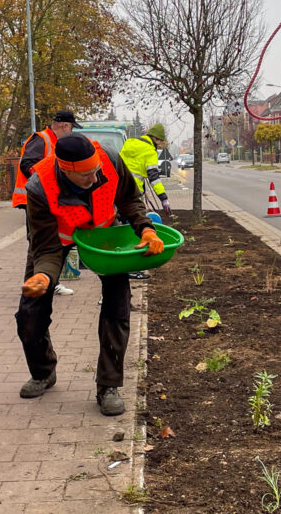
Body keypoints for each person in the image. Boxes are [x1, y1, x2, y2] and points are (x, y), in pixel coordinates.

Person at [16, 134, 164, 416]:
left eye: (96, 171)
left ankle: (108, 386)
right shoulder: (39, 187)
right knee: (30, 313)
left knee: (117, 307)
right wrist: (45, 278)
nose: (95, 179)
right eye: (86, 175)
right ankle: (43, 372)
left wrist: (145, 229)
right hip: (56, 242)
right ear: (66, 171)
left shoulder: (108, 159)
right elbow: (45, 248)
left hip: (104, 236)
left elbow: (130, 200)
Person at [12, 109, 83, 295]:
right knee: (39, 243)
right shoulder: (42, 139)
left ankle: (46, 282)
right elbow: (27, 164)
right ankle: (36, 284)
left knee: (47, 241)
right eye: (71, 128)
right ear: (65, 126)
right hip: (35, 199)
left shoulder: (51, 141)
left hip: (44, 199)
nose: (71, 133)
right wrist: (47, 181)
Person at [120, 122, 172, 280]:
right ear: (155, 139)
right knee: (134, 230)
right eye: (161, 141)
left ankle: (123, 265)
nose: (162, 145)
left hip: (117, 191)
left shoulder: (129, 143)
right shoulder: (150, 151)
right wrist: (163, 198)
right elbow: (154, 177)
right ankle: (131, 267)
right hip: (132, 196)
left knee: (122, 228)